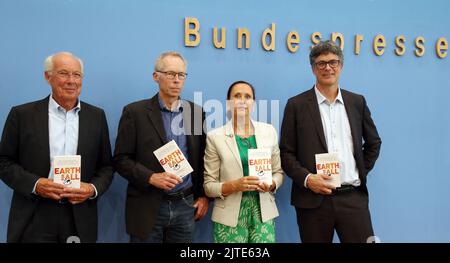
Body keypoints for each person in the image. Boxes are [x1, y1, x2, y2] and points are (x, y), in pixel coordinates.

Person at [0, 52, 114, 243]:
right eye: (63, 73)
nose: (71, 81)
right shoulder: (22, 114)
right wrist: (36, 184)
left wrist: (92, 188)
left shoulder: (96, 117)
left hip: (78, 215)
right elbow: (3, 162)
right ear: (48, 76)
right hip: (35, 212)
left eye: (76, 75)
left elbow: (107, 167)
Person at [280, 40, 382, 243]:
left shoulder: (357, 102)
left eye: (333, 62)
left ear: (341, 66)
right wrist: (309, 179)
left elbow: (373, 143)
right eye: (321, 63)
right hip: (313, 201)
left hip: (352, 198)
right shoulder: (296, 105)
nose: (328, 67)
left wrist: (357, 170)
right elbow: (286, 153)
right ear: (313, 69)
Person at [113, 51, 209, 243]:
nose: (176, 80)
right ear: (156, 76)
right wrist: (150, 177)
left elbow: (202, 158)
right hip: (148, 205)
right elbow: (120, 159)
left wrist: (203, 196)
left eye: (181, 75)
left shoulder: (196, 113)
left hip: (185, 205)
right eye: (171, 74)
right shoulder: (135, 112)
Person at [203, 80, 284, 243]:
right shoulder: (215, 137)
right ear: (228, 103)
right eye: (237, 96)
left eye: (247, 96)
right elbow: (209, 186)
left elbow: (278, 172)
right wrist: (234, 185)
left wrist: (272, 184)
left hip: (263, 215)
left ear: (253, 102)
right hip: (228, 217)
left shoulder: (269, 131)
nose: (242, 100)